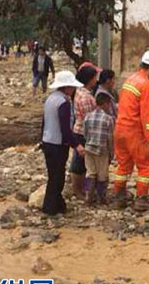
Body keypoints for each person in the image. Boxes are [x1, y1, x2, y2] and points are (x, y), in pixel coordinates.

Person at [113, 50, 149, 211]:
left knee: (123, 165)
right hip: (135, 132)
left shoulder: (130, 80)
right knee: (145, 166)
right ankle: (141, 199)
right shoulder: (147, 86)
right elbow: (148, 118)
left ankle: (119, 197)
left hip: (120, 129)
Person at [41, 71, 85, 215]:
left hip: (48, 141)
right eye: (72, 87)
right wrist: (76, 145)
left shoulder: (50, 99)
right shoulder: (64, 103)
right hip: (58, 144)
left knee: (53, 175)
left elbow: (44, 122)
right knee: (57, 177)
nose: (74, 90)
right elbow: (65, 128)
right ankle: (50, 207)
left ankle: (57, 205)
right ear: (66, 87)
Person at [70, 66, 98, 200]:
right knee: (80, 164)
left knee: (80, 162)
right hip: (83, 132)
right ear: (90, 79)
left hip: (79, 130)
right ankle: (78, 190)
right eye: (94, 78)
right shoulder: (86, 97)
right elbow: (89, 118)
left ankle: (79, 189)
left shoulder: (79, 92)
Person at [83, 93, 114, 205]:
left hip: (89, 148)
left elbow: (85, 133)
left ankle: (88, 197)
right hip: (102, 150)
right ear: (105, 104)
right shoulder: (108, 119)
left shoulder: (88, 116)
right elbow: (110, 138)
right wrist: (111, 153)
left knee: (90, 173)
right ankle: (101, 198)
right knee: (102, 176)